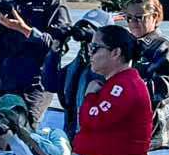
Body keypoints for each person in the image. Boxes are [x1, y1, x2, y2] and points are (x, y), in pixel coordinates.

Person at [42, 24, 152, 155]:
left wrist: (90, 96)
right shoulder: (119, 82)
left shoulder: (123, 85)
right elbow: (50, 82)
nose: (89, 53)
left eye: (95, 48)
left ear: (116, 53)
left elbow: (91, 120)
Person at [121, 0, 169, 149]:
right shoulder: (127, 46)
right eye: (129, 18)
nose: (133, 23)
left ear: (154, 16)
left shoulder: (163, 47)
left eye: (139, 18)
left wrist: (124, 88)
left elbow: (164, 87)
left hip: (153, 133)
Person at [44, 9, 117, 138]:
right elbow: (50, 84)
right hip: (74, 136)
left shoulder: (113, 68)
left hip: (100, 138)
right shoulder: (77, 66)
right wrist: (56, 48)